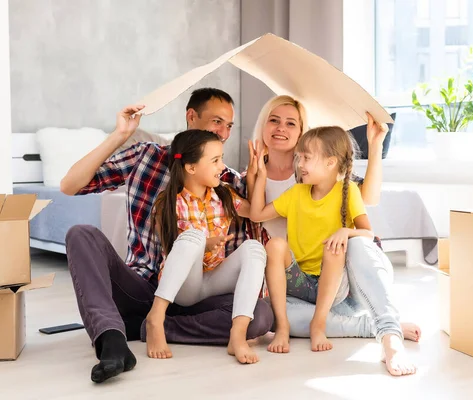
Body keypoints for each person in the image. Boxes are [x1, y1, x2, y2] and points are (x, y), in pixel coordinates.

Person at [60, 88, 274, 384]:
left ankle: (148, 327)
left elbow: (256, 224)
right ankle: (111, 340)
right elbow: (69, 186)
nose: (224, 133)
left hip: (195, 294)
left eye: (229, 126)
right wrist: (119, 135)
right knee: (81, 234)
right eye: (217, 122)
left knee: (260, 316)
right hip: (144, 285)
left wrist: (256, 176)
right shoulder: (146, 156)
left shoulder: (226, 181)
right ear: (191, 117)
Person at [245, 96, 419, 376]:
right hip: (298, 283)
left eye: (291, 123)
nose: (281, 128)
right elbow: (254, 214)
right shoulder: (261, 177)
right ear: (263, 125)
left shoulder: (342, 189)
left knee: (342, 245)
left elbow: (368, 215)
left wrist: (374, 147)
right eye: (274, 120)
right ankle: (362, 326)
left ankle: (386, 331)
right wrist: (259, 176)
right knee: (270, 313)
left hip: (342, 282)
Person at [145, 130, 266, 364]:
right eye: (215, 161)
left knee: (254, 248)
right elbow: (173, 247)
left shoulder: (225, 195)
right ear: (191, 167)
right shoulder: (169, 202)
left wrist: (256, 176)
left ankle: (237, 335)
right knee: (194, 237)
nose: (222, 166)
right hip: (184, 287)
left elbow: (256, 214)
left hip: (213, 281)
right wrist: (206, 242)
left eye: (221, 159)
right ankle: (156, 318)